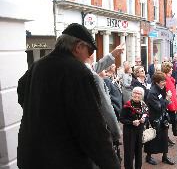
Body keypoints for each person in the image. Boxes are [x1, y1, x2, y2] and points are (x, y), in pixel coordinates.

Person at [17, 23, 120, 169]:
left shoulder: (38, 65)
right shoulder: (78, 72)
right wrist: (111, 164)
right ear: (78, 47)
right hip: (63, 158)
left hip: (31, 156)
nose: (88, 57)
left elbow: (21, 93)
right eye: (89, 51)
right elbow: (92, 126)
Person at [144, 72, 175, 166]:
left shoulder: (162, 89)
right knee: (152, 138)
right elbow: (158, 107)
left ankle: (164, 157)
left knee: (164, 138)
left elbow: (163, 103)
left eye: (164, 81)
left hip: (162, 118)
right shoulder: (152, 93)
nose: (164, 83)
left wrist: (167, 100)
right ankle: (148, 157)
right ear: (157, 82)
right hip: (154, 120)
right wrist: (167, 99)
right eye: (162, 81)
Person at [120, 87, 148, 169]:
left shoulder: (144, 105)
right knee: (129, 153)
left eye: (139, 93)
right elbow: (121, 119)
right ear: (132, 94)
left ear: (142, 95)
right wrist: (131, 122)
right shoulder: (127, 105)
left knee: (139, 152)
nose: (136, 95)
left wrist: (144, 120)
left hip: (140, 132)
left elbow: (147, 116)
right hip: (129, 132)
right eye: (135, 93)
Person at [161, 62, 177, 142]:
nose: (172, 69)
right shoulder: (165, 79)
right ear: (167, 69)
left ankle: (167, 138)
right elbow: (168, 93)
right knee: (168, 122)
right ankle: (166, 139)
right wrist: (172, 106)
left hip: (171, 103)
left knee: (170, 121)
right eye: (171, 68)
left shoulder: (169, 78)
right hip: (169, 104)